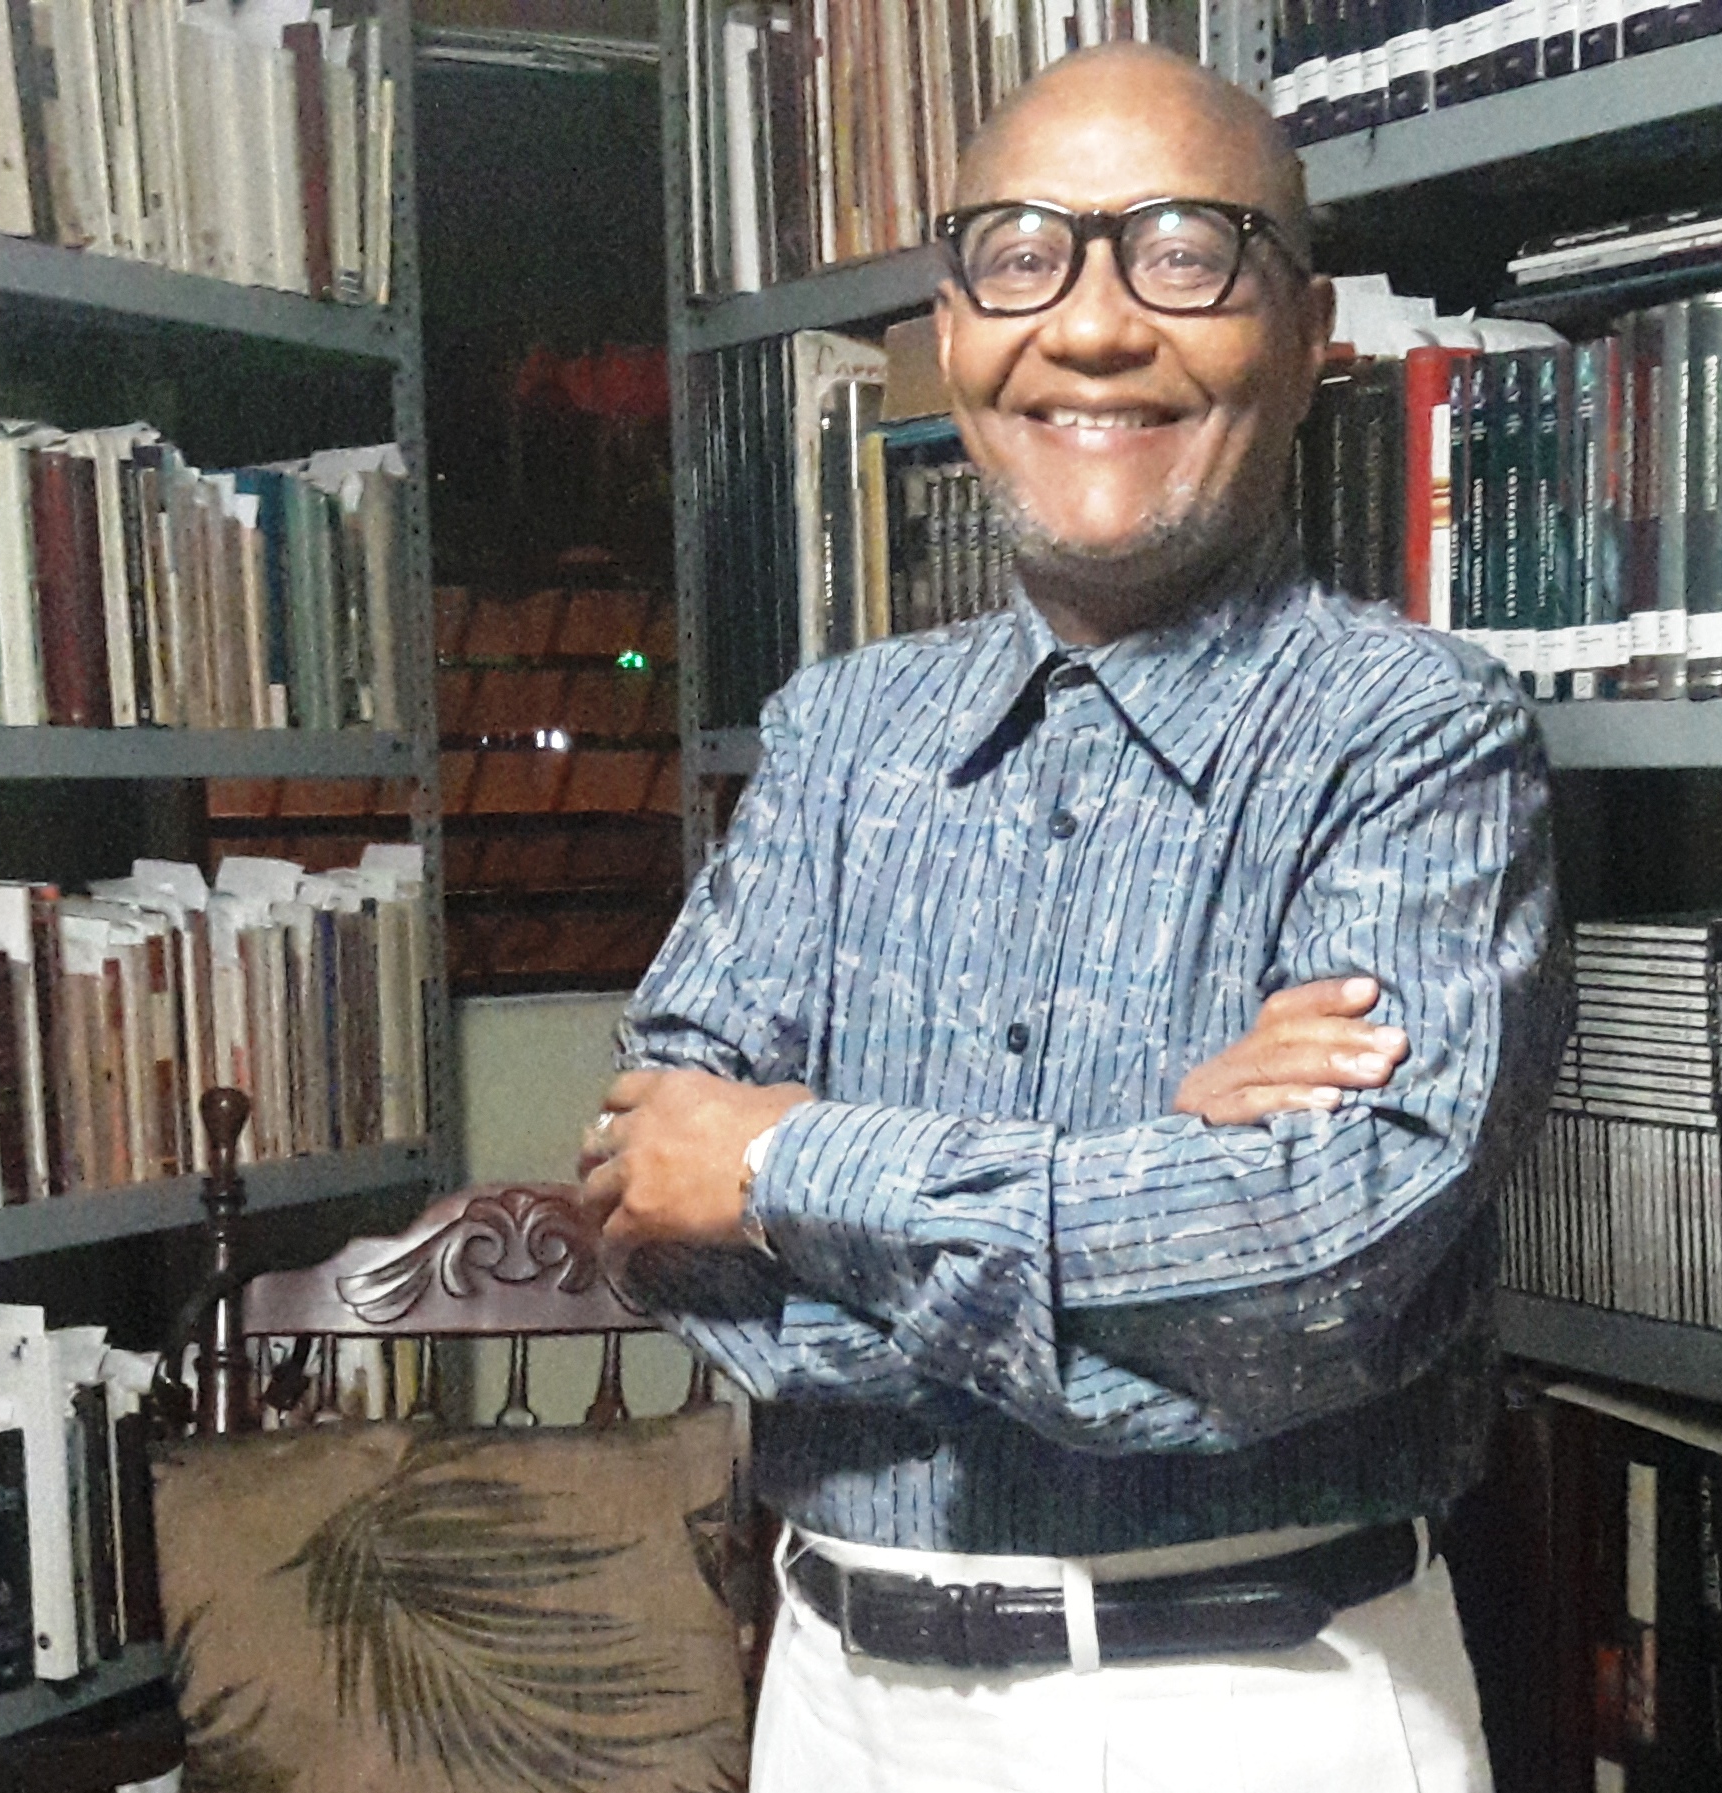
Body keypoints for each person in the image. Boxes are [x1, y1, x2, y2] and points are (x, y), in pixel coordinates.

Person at [580, 39, 1558, 1793]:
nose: (1093, 327)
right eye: (1022, 254)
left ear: (1308, 330)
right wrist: (1150, 1196)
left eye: (1182, 252)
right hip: (838, 1709)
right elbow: (654, 1204)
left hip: (1259, 1702)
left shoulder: (1422, 732)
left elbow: (1319, 1275)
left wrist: (790, 1162)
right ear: (954, 327)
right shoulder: (837, 731)